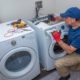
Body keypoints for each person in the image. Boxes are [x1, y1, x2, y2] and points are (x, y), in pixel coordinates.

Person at [52, 7, 80, 80]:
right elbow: (62, 17)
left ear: (73, 20)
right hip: (75, 49)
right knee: (71, 66)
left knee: (58, 64)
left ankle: (66, 75)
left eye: (66, 18)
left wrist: (58, 39)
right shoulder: (75, 22)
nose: (64, 19)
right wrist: (55, 19)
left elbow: (70, 50)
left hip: (78, 53)